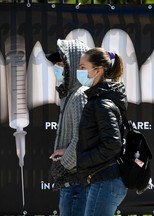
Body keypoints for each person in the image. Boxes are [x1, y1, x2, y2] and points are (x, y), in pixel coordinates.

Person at [76, 48, 128, 216]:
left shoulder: (101, 103)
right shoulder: (99, 99)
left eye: (83, 67)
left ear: (98, 70)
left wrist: (84, 159)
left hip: (106, 180)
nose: (79, 71)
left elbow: (113, 143)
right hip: (104, 178)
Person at [48, 39, 89, 216]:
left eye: (61, 63)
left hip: (76, 183)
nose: (57, 68)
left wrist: (63, 164)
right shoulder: (68, 94)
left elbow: (80, 139)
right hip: (71, 183)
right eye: (56, 64)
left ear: (73, 64)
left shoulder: (79, 95)